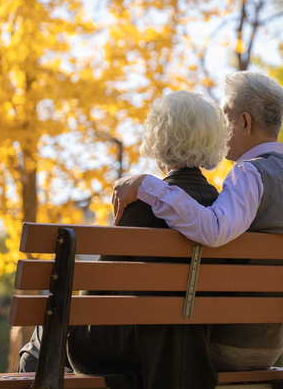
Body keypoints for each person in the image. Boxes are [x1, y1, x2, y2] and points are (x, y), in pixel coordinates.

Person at [112, 70, 283, 371]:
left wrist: (147, 185)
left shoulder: (250, 173)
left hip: (223, 346)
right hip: (274, 348)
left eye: (226, 116)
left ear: (244, 122)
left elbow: (213, 229)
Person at [19, 90, 230, 389]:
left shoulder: (142, 208)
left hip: (132, 349)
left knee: (41, 339)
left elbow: (95, 298)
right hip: (194, 350)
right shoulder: (221, 213)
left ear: (158, 142)